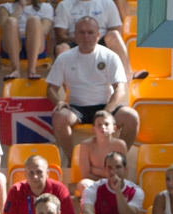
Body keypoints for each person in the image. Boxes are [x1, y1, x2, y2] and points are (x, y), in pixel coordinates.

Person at [46, 16, 139, 164]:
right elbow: (50, 89)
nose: (86, 36)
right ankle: (73, 160)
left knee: (131, 116)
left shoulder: (110, 56)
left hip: (104, 104)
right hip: (77, 108)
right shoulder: (64, 58)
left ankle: (117, 160)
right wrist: (59, 102)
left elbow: (120, 89)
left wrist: (107, 110)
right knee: (59, 117)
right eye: (82, 32)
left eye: (90, 32)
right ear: (75, 35)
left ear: (98, 35)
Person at [54, 0, 145, 84]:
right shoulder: (64, 5)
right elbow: (60, 36)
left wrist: (93, 39)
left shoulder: (107, 3)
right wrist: (80, 38)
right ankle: (69, 89)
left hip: (100, 41)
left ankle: (126, 74)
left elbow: (116, 30)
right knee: (61, 49)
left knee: (114, 35)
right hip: (76, 42)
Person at [75, 109, 127, 195]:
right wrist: (108, 174)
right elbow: (85, 174)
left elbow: (123, 172)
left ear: (114, 128)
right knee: (83, 184)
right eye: (99, 125)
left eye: (106, 124)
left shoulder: (120, 145)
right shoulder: (86, 145)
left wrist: (95, 170)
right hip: (95, 183)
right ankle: (92, 208)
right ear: (93, 129)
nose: (103, 127)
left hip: (115, 182)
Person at [0, 0, 53, 80]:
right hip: (11, 45)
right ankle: (16, 69)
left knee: (34, 20)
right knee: (11, 21)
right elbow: (5, 29)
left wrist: (29, 33)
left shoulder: (46, 7)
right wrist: (20, 6)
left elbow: (44, 31)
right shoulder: (4, 7)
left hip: (36, 46)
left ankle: (31, 70)